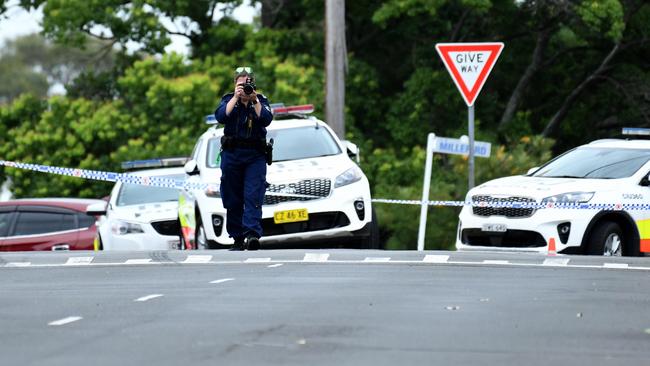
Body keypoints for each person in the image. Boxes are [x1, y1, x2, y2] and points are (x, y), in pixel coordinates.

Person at [214, 67, 273, 250]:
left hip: (255, 156)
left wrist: (254, 99)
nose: (244, 88)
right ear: (234, 85)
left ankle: (252, 235)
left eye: (247, 84)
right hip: (232, 154)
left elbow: (266, 119)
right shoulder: (228, 100)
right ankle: (237, 237)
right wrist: (235, 97)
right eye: (240, 85)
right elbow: (222, 116)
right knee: (233, 196)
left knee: (253, 194)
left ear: (253, 85)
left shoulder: (260, 101)